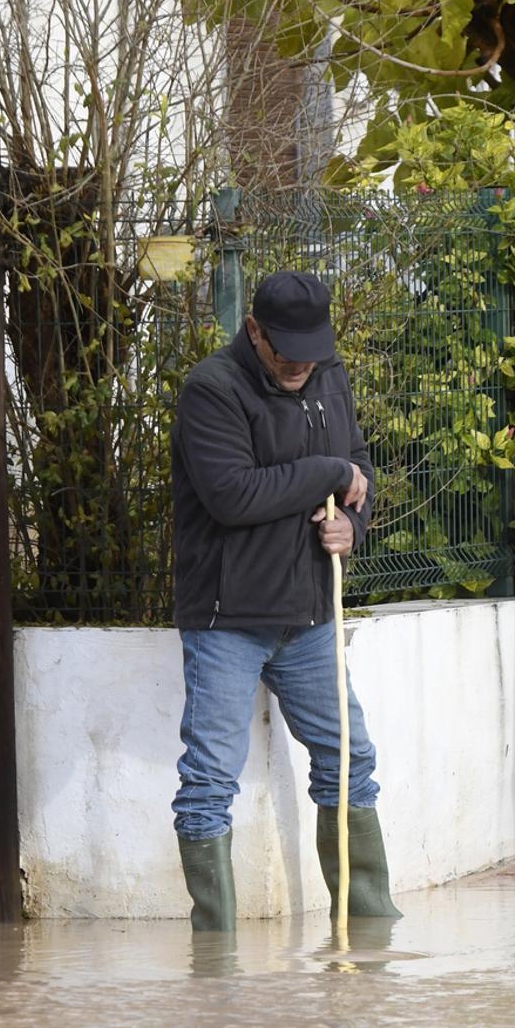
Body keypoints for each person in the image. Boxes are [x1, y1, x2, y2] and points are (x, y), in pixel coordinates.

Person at [169, 268, 402, 931]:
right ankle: (214, 952)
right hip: (228, 619)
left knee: (350, 762)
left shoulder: (329, 375)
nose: (301, 365)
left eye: (312, 352)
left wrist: (351, 526)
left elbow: (361, 472)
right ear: (254, 331)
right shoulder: (212, 389)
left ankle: (368, 927)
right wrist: (330, 475)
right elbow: (233, 495)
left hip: (309, 615)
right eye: (287, 352)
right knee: (211, 782)